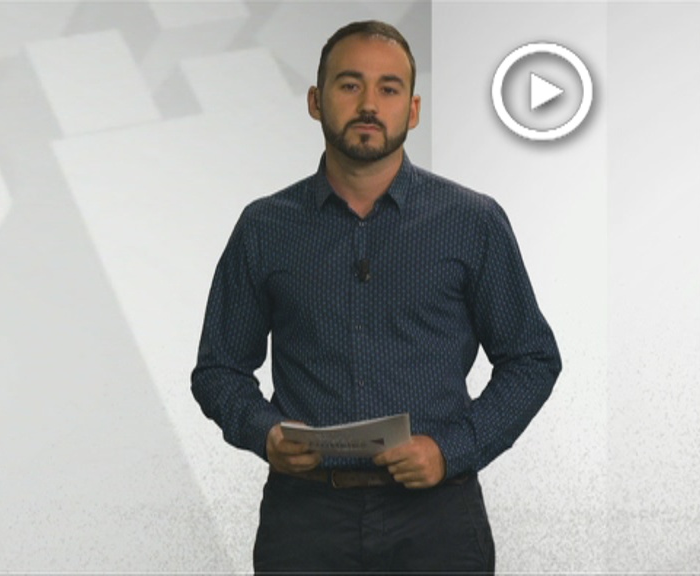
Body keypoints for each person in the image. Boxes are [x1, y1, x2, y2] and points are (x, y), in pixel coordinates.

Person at [191, 20, 561, 574]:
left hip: (438, 518)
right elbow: (218, 369)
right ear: (316, 101)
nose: (369, 104)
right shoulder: (264, 227)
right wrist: (265, 433)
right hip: (305, 520)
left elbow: (532, 358)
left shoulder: (472, 222)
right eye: (349, 85)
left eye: (389, 88)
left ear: (412, 110)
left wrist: (451, 450)